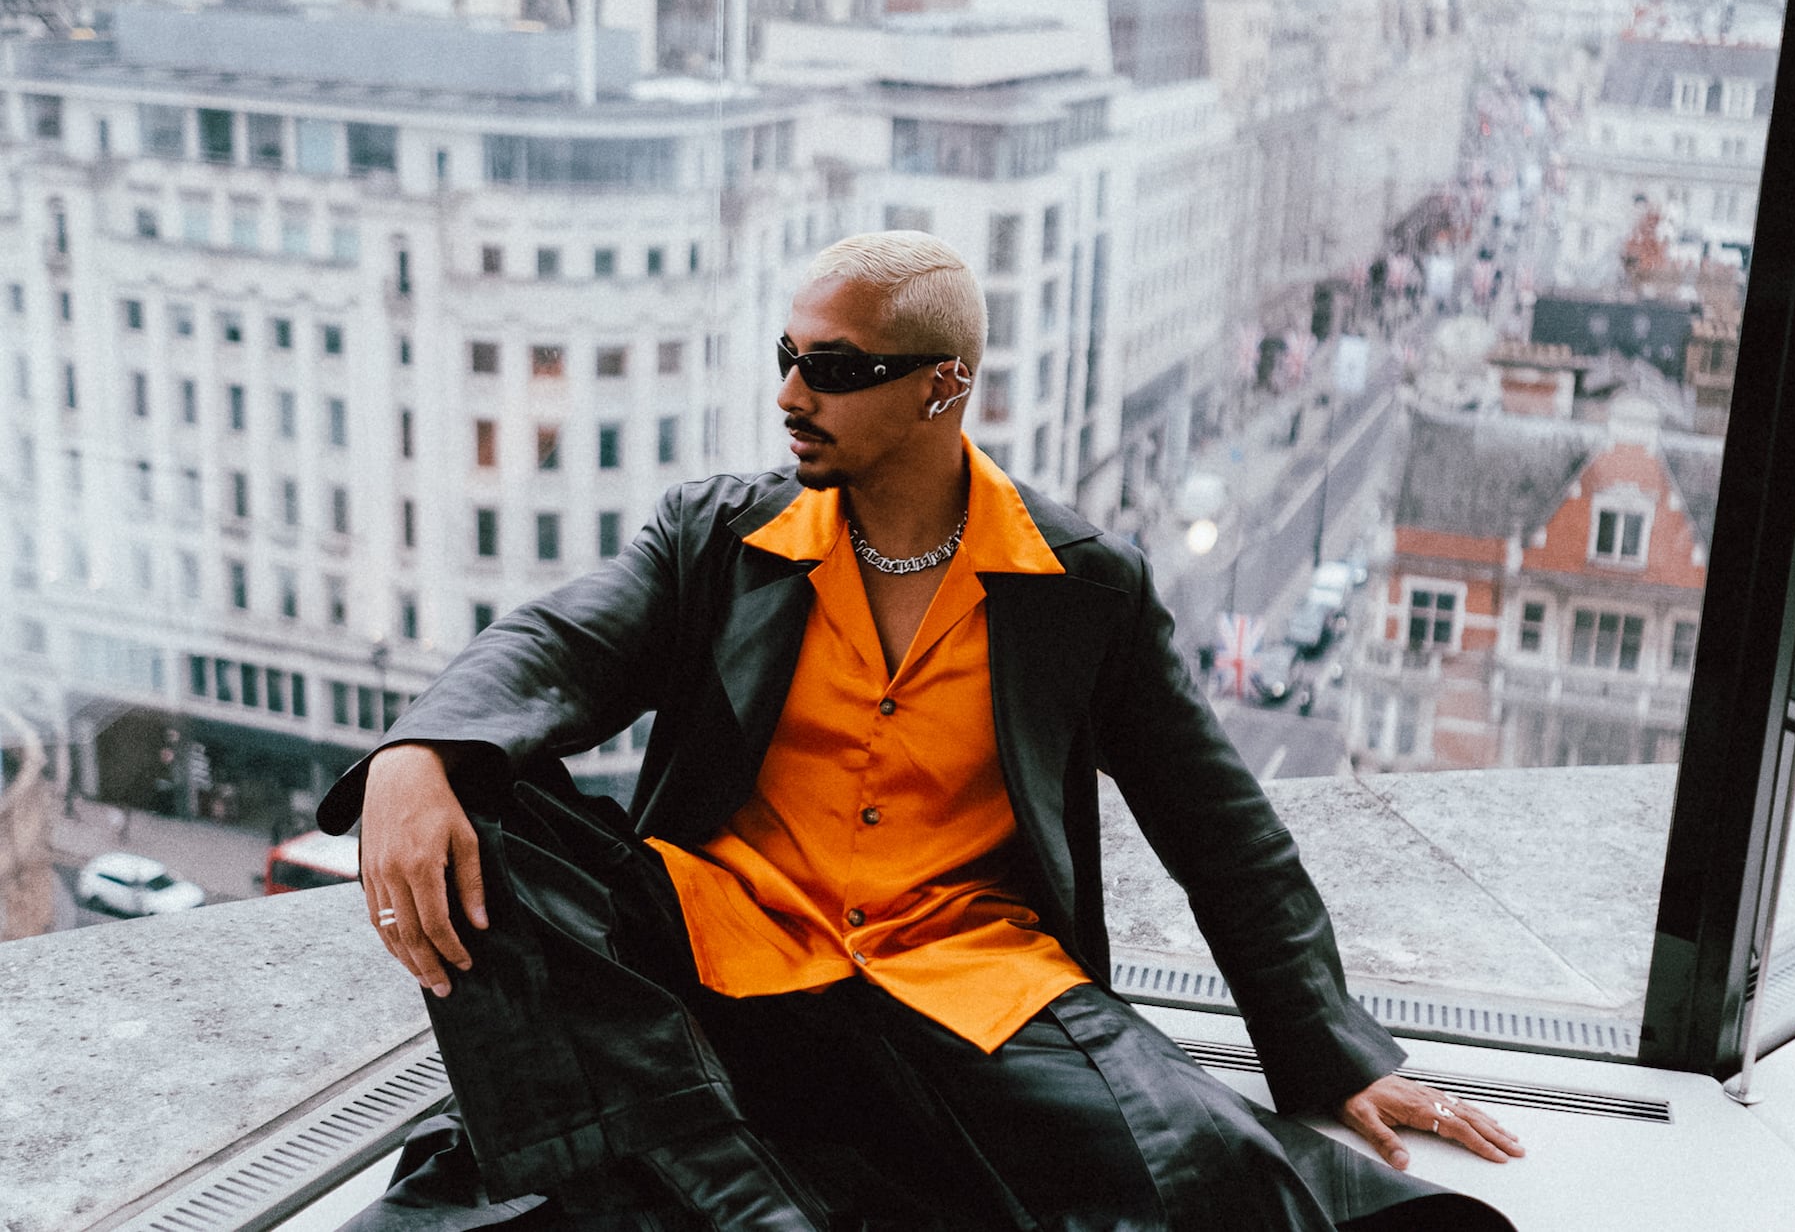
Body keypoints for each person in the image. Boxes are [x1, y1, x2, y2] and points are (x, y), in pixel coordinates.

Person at [326, 232, 1523, 1230]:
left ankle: (690, 1161)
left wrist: (1328, 1054)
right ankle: (746, 1201)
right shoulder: (715, 538)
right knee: (488, 807)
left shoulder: (1080, 586)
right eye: (787, 358)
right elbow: (557, 646)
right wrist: (418, 755)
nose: (790, 396)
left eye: (833, 369)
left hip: (967, 980)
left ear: (942, 386)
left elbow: (1218, 829)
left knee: (1211, 1173)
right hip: (715, 945)